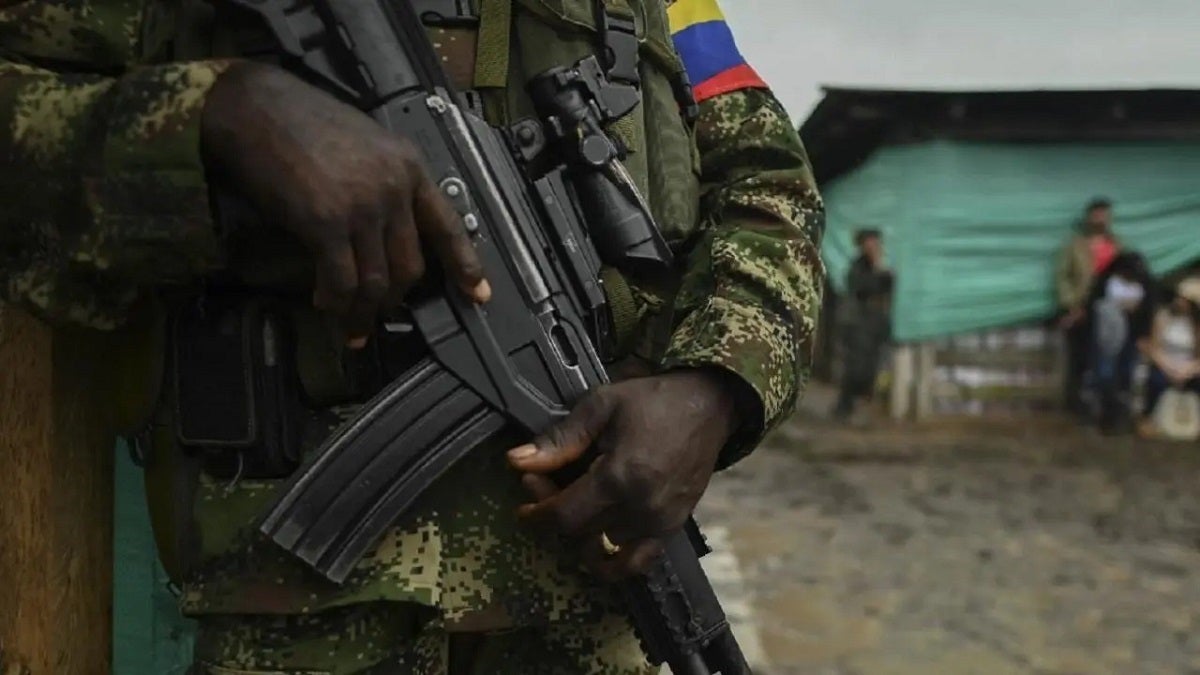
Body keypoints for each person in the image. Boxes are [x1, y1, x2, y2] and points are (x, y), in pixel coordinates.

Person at [0, 0, 824, 672]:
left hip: (594, 617)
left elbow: (772, 188)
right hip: (300, 623)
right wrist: (212, 119)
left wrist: (718, 385)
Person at [1057, 197, 1122, 417]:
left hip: (1110, 310)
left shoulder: (1117, 244)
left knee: (1105, 358)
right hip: (1080, 309)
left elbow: (1127, 275)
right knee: (1079, 359)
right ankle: (1075, 407)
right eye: (1096, 214)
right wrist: (1071, 305)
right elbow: (1063, 277)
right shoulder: (1074, 245)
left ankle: (1104, 406)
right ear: (1088, 217)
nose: (1100, 218)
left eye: (1104, 214)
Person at [1084, 251, 1156, 433]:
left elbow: (1148, 311)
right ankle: (1103, 413)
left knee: (1126, 375)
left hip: (1132, 337)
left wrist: (1144, 334)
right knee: (1104, 375)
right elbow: (1094, 305)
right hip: (1106, 337)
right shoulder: (1106, 281)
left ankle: (1121, 416)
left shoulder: (1145, 285)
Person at [833, 229, 893, 421]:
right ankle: (844, 407)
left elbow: (888, 286)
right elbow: (862, 288)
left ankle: (856, 406)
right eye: (869, 243)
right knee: (855, 367)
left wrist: (880, 268)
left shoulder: (882, 266)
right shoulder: (857, 267)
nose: (872, 247)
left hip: (876, 322)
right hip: (858, 322)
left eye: (875, 242)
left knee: (872, 366)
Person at [1137, 277, 1200, 432]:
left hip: (1188, 366)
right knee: (1156, 380)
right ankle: (1148, 418)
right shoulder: (1163, 317)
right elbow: (1154, 347)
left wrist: (1188, 371)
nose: (1179, 302)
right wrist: (1169, 368)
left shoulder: (1196, 326)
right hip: (1165, 363)